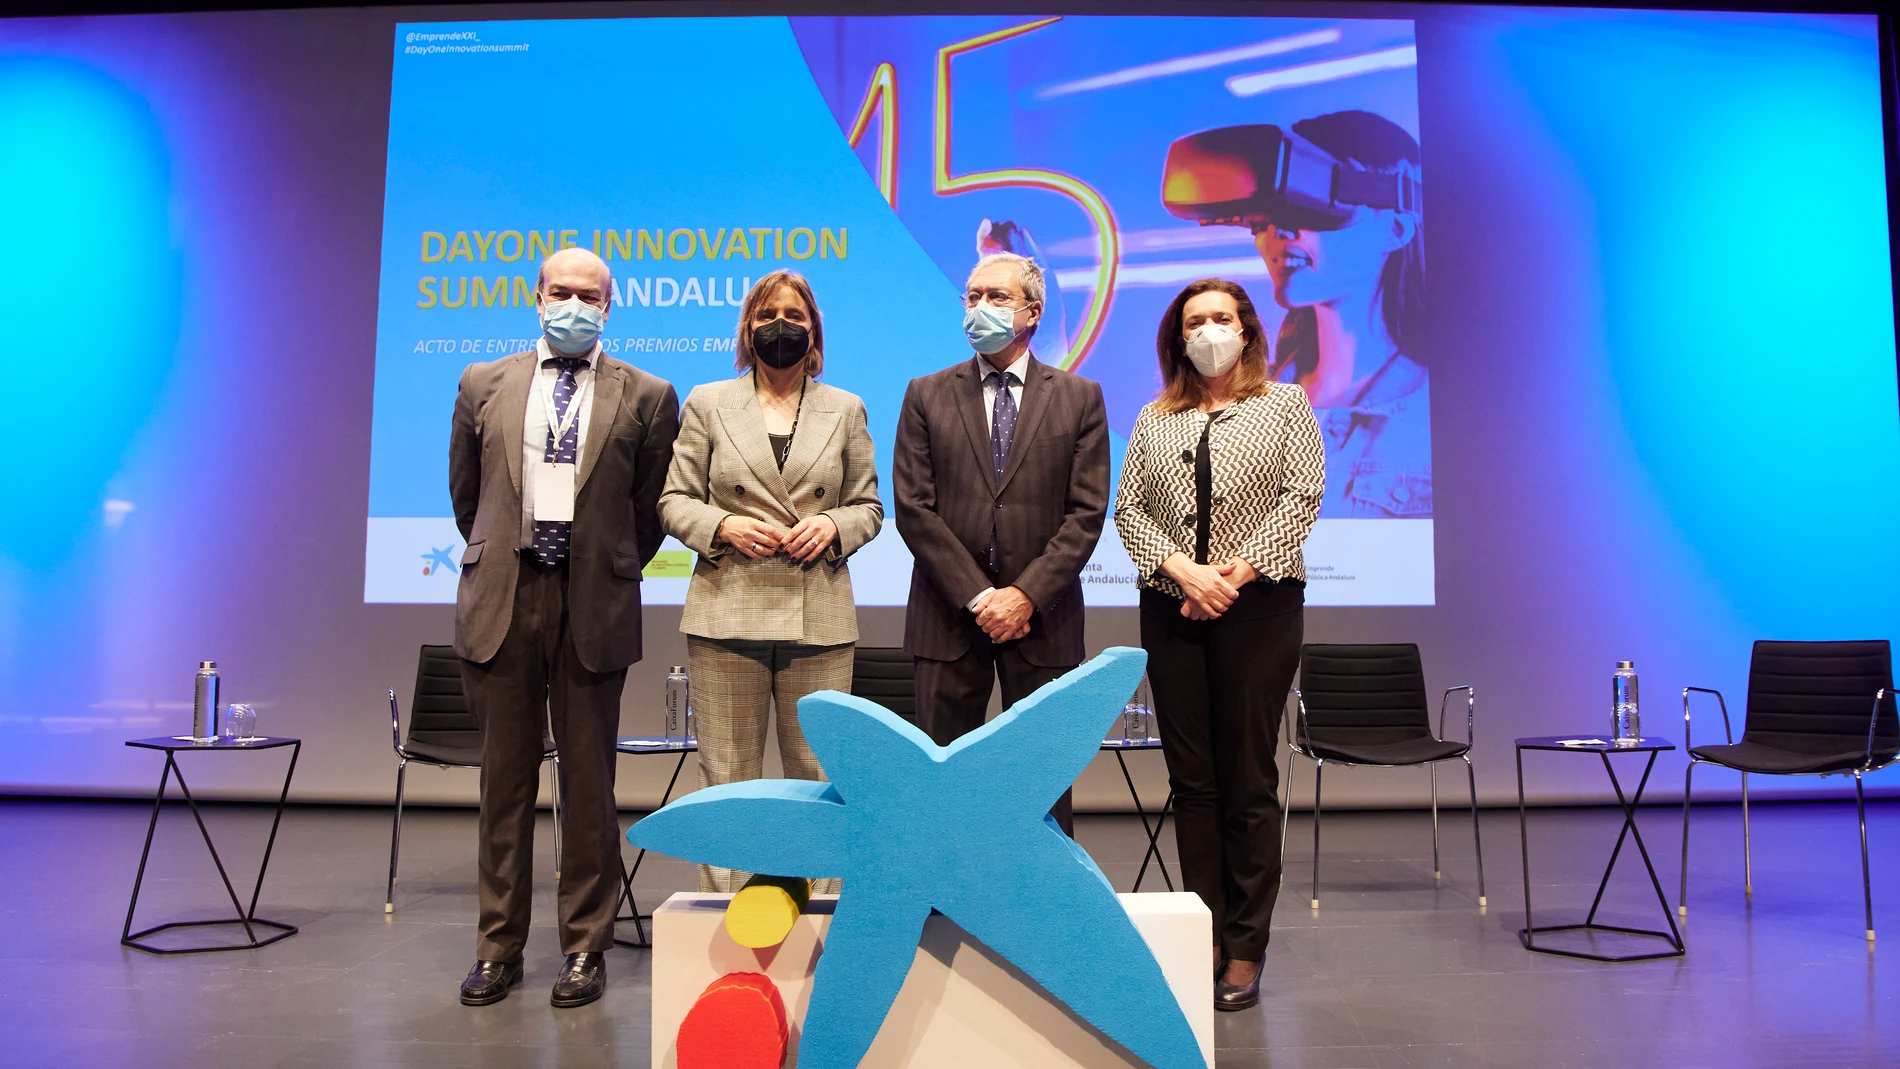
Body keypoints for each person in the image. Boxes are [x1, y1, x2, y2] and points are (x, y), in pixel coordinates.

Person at [449, 247, 680, 1008]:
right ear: (535, 296)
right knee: (503, 784)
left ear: (609, 305)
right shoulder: (484, 381)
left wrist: (600, 565)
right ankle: (497, 948)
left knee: (590, 786)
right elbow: (466, 495)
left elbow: (648, 513)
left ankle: (585, 946)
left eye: (589, 294)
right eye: (560, 291)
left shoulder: (648, 393)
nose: (573, 304)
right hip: (505, 597)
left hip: (593, 604)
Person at [1113, 278, 1323, 1012]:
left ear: (1246, 328)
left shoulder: (1285, 404)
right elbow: (1129, 507)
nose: (1208, 330)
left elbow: (1303, 495)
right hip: (1172, 608)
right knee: (1193, 780)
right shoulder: (1154, 416)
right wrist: (1182, 571)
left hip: (1257, 605)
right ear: (1177, 337)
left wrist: (1233, 573)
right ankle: (1200, 926)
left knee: (1247, 777)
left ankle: (1245, 943)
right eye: (1195, 320)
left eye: (1221, 318)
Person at [659, 271, 882, 893]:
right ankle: (723, 922)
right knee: (726, 777)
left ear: (813, 329)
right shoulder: (708, 401)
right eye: (766, 314)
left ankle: (814, 924)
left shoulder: (845, 407)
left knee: (818, 777)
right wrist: (723, 523)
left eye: (793, 313)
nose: (779, 325)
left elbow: (868, 506)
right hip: (726, 612)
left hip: (819, 617)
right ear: (747, 328)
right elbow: (675, 500)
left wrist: (833, 526)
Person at [893, 252, 1109, 835]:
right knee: (941, 784)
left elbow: (1086, 514)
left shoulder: (1079, 397)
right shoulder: (926, 394)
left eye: (995, 296)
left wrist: (1023, 597)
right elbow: (914, 510)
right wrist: (980, 598)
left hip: (1043, 621)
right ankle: (938, 909)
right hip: (948, 619)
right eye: (972, 296)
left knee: (1041, 780)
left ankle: (1040, 909)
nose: (979, 307)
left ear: (1032, 312)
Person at [1253, 110, 1428, 518]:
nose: (1279, 231)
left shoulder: (1446, 415)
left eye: (1313, 204)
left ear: (1396, 230)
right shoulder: (1238, 407)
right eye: (1267, 212)